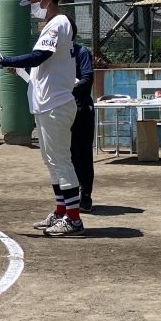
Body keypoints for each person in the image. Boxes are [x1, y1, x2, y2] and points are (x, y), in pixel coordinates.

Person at [0, 0, 85, 236]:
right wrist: (21, 70)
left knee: (61, 161)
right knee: (52, 161)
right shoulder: (54, 24)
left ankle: (74, 220)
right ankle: (61, 211)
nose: (33, 6)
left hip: (56, 104)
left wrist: (0, 62)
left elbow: (39, 57)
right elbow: (42, 68)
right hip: (49, 104)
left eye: (34, 1)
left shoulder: (58, 22)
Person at [71, 42, 95, 213]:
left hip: (81, 107)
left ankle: (85, 195)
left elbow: (87, 80)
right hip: (59, 108)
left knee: (82, 153)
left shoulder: (81, 52)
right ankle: (69, 195)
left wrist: (69, 86)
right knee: (65, 154)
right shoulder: (51, 53)